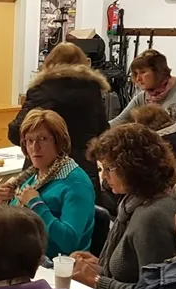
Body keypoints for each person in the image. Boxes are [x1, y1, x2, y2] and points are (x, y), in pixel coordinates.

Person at [71, 123, 176, 289]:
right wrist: (98, 268)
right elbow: (131, 274)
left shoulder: (151, 218)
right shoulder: (137, 203)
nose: (103, 176)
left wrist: (96, 281)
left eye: (107, 169)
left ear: (131, 168)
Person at [7, 42, 110, 187]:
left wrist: (34, 145)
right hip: (83, 168)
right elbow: (103, 131)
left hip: (45, 168)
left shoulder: (41, 89)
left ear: (49, 61)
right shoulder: (93, 91)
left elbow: (16, 131)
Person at [0, 109, 95, 258]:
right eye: (29, 141)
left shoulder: (76, 183)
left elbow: (69, 241)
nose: (35, 147)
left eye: (43, 139)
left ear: (59, 141)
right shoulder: (33, 175)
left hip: (54, 266)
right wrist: (0, 201)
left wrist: (36, 205)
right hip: (21, 256)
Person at [111, 50, 176, 174]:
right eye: (135, 73)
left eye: (143, 72)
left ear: (159, 72)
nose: (138, 78)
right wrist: (97, 129)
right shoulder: (143, 96)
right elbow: (120, 120)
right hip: (168, 153)